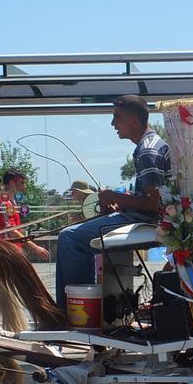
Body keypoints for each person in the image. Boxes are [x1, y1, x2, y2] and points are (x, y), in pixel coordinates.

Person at [55, 95, 170, 309]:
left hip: (148, 221)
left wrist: (115, 197)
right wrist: (123, 203)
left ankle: (75, 313)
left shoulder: (147, 151)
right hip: (141, 216)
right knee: (73, 235)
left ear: (133, 121)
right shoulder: (153, 144)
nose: (112, 124)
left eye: (117, 118)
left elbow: (154, 205)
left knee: (70, 238)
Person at [0, 170, 49, 260]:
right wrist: (35, 248)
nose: (24, 186)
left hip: (11, 248)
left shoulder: (11, 202)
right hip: (8, 250)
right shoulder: (6, 203)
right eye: (22, 183)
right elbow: (11, 230)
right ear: (12, 183)